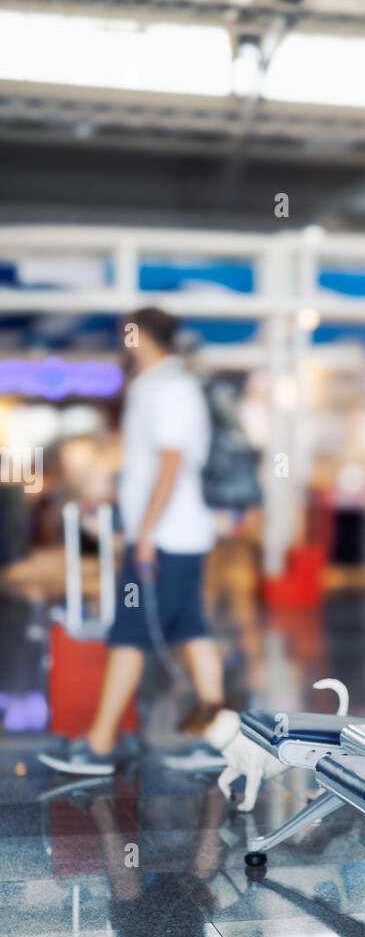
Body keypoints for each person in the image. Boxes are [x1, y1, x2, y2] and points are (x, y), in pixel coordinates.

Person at [40, 307, 224, 775]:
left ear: (140, 335)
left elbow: (172, 462)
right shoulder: (150, 385)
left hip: (167, 536)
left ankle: (103, 744)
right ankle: (220, 737)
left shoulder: (172, 387)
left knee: (132, 633)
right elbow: (145, 465)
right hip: (166, 534)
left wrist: (145, 533)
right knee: (186, 630)